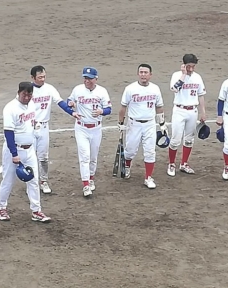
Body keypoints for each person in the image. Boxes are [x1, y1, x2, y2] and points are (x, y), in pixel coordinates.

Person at [0, 82, 52, 223]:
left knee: (33, 180)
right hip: (14, 150)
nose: (27, 97)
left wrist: (36, 127)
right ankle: (1, 208)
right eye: (24, 95)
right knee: (8, 180)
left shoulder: (32, 104)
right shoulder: (10, 108)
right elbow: (8, 133)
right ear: (19, 92)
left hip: (29, 150)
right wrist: (14, 154)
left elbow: (32, 122)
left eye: (29, 95)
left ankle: (36, 211)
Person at [30, 65, 80, 194]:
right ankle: (31, 182)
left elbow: (60, 102)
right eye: (40, 77)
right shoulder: (27, 90)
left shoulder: (49, 88)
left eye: (44, 76)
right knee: (29, 157)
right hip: (29, 127)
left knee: (43, 157)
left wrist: (72, 112)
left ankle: (44, 181)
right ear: (33, 77)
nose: (42, 79)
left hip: (43, 127)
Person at [118, 64, 166, 189]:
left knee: (150, 151)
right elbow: (123, 107)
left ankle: (148, 177)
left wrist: (162, 123)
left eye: (146, 72)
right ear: (138, 74)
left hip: (150, 124)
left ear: (150, 75)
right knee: (130, 150)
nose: (143, 75)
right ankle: (127, 166)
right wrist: (120, 123)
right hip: (134, 124)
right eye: (141, 72)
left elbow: (159, 107)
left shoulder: (155, 89)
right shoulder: (130, 89)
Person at [67, 67, 112, 197]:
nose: (87, 81)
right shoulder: (78, 89)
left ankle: (91, 178)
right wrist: (71, 103)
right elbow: (69, 100)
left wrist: (101, 111)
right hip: (81, 128)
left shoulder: (102, 91)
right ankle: (86, 185)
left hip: (96, 128)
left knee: (93, 157)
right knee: (84, 157)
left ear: (95, 79)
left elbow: (109, 109)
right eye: (85, 78)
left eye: (90, 78)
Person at [167, 53, 207, 176]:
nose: (191, 69)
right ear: (184, 65)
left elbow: (201, 95)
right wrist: (183, 75)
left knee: (189, 139)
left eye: (193, 66)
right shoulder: (177, 75)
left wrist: (203, 112)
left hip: (192, 111)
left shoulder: (197, 77)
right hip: (179, 111)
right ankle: (171, 164)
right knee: (175, 140)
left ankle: (184, 163)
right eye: (189, 66)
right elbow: (174, 89)